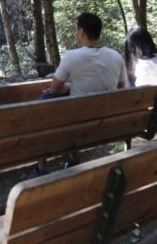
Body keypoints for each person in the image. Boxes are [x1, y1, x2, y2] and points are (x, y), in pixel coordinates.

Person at [37, 12, 126, 174]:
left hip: (77, 124)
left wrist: (71, 85)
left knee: (44, 99)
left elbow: (54, 89)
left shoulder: (72, 57)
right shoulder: (116, 56)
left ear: (82, 32)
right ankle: (71, 158)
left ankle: (41, 165)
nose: (75, 33)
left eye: (76, 29)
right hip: (106, 122)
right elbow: (121, 86)